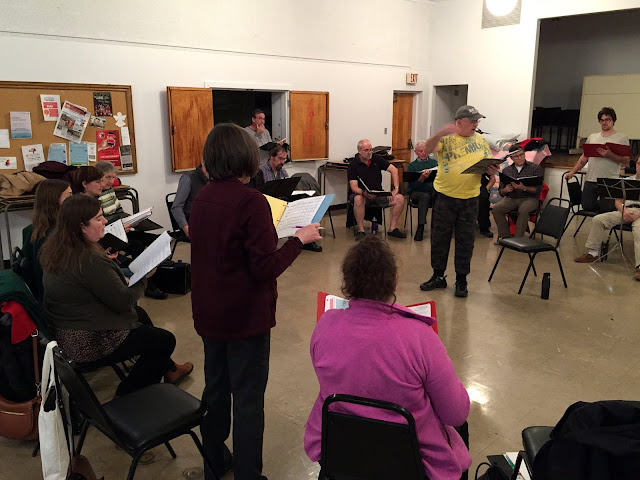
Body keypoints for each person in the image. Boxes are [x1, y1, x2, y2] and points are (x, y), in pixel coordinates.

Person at [190, 123, 321, 480]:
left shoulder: (202, 197)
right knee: (248, 400)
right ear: (246, 156)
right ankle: (249, 474)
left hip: (209, 311)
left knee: (215, 389)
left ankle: (214, 462)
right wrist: (300, 239)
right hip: (245, 316)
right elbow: (264, 267)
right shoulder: (251, 200)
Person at [304, 236, 471, 480]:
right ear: (393, 282)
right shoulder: (419, 336)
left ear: (347, 282)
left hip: (341, 454)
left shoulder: (325, 325)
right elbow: (455, 414)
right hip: (409, 464)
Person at [39, 195, 193, 397]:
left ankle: (170, 369)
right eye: (98, 218)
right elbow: (124, 301)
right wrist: (144, 278)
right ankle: (129, 394)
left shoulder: (59, 247)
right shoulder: (89, 259)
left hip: (68, 330)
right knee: (165, 340)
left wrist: (109, 265)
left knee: (140, 315)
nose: (105, 222)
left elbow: (91, 281)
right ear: (81, 227)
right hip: (87, 341)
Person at [419, 105, 499, 298]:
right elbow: (427, 150)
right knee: (440, 239)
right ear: (459, 123)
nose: (476, 124)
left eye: (477, 121)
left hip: (470, 198)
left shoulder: (480, 140)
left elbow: (484, 164)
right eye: (472, 121)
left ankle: (461, 280)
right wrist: (439, 133)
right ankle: (438, 276)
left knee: (466, 241)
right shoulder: (446, 139)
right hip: (445, 197)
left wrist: (490, 169)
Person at [574, 156, 640, 281]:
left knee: (639, 231)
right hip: (625, 210)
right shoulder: (627, 180)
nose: (639, 167)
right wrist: (623, 210)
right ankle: (593, 254)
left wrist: (637, 214)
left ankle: (639, 267)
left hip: (639, 214)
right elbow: (617, 201)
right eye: (638, 164)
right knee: (598, 219)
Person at [253, 146, 322, 253]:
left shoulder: (283, 172)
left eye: (284, 159)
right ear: (272, 157)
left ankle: (303, 239)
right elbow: (259, 192)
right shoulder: (261, 171)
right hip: (268, 202)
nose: (282, 162)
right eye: (280, 159)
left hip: (282, 200)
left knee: (301, 206)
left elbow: (287, 188)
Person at [566, 107, 630, 212]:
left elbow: (626, 160)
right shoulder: (592, 137)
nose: (604, 122)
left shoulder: (621, 138)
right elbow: (584, 157)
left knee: (607, 209)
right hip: (591, 179)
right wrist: (573, 171)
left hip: (609, 180)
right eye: (602, 120)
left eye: (608, 119)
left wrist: (610, 155)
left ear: (613, 121)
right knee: (586, 206)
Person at [19, 179, 72, 301]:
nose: (73, 200)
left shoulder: (32, 229)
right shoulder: (57, 234)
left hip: (41, 296)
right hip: (57, 300)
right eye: (69, 197)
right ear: (54, 201)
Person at [348, 139, 406, 241]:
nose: (369, 152)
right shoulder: (353, 164)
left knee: (400, 199)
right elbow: (354, 187)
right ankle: (361, 230)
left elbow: (394, 170)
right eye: (366, 150)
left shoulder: (376, 159)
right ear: (359, 151)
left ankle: (392, 228)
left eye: (370, 150)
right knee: (358, 199)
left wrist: (395, 189)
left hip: (378, 193)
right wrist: (364, 193)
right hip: (362, 194)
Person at [491, 144, 543, 242]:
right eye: (516, 156)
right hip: (511, 197)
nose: (520, 158)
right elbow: (501, 192)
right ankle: (504, 237)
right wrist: (506, 190)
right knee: (497, 209)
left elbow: (538, 190)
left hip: (529, 198)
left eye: (521, 155)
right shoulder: (507, 170)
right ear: (511, 158)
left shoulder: (535, 168)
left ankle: (517, 240)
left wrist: (524, 188)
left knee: (523, 210)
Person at [407, 141, 438, 241]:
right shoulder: (412, 166)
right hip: (416, 193)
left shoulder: (434, 163)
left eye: (425, 151)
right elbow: (413, 187)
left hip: (431, 191)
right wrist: (421, 179)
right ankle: (420, 227)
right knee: (424, 196)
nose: (423, 153)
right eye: (420, 151)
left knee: (440, 196)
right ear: (416, 152)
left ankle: (438, 227)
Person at [170, 160, 209, 239]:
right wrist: (186, 229)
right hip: (193, 222)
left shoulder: (216, 178)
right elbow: (176, 207)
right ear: (203, 163)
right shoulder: (188, 178)